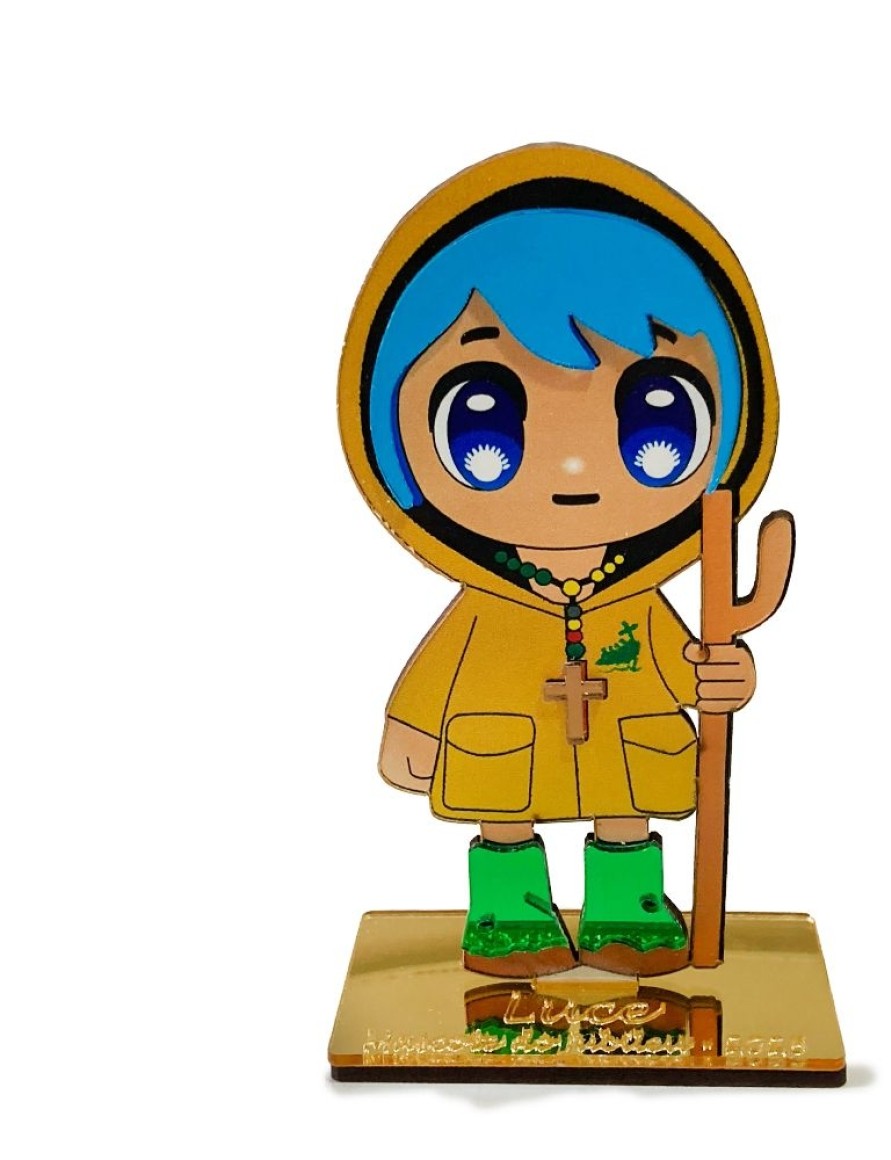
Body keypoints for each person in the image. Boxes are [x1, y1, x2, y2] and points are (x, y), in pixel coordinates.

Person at [338, 145, 780, 977]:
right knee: (504, 815)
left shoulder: (636, 598)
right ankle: (509, 917)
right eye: (482, 426)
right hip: (503, 745)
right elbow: (441, 661)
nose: (574, 471)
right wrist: (413, 724)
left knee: (626, 809)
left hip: (624, 741)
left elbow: (687, 666)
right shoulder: (489, 605)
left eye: (656, 427)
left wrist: (724, 677)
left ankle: (628, 911)